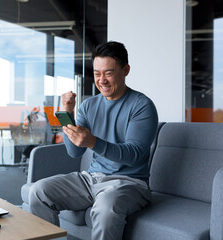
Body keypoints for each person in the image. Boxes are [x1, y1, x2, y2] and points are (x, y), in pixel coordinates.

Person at [29, 41, 158, 240]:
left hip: (130, 183)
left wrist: (93, 142)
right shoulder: (89, 105)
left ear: (126, 70)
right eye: (97, 74)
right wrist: (67, 114)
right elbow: (75, 151)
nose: (102, 80)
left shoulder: (142, 106)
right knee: (38, 191)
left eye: (108, 72)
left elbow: (134, 155)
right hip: (91, 179)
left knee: (106, 206)